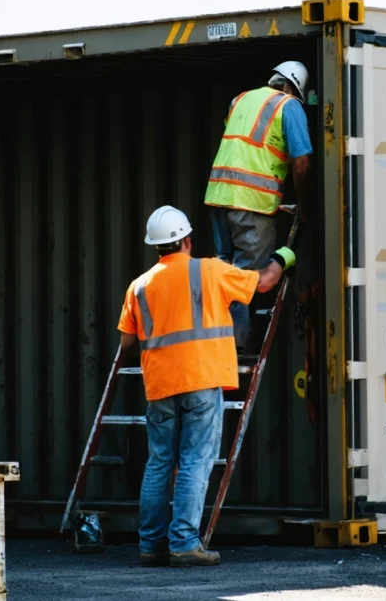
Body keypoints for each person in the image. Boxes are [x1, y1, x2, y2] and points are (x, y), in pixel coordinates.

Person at [117, 205, 297, 567]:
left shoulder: (139, 286)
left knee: (159, 463)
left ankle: (151, 545)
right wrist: (284, 256)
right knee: (195, 461)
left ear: (157, 247)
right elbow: (263, 282)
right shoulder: (209, 270)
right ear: (186, 241)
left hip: (160, 385)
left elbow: (125, 344)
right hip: (201, 378)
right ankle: (184, 544)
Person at [204, 61, 313, 352]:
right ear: (292, 88)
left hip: (219, 195)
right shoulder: (288, 106)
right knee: (244, 277)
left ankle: (218, 340)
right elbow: (301, 164)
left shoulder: (239, 100)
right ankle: (233, 348)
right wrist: (306, 207)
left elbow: (247, 150)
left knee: (225, 270)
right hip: (251, 202)